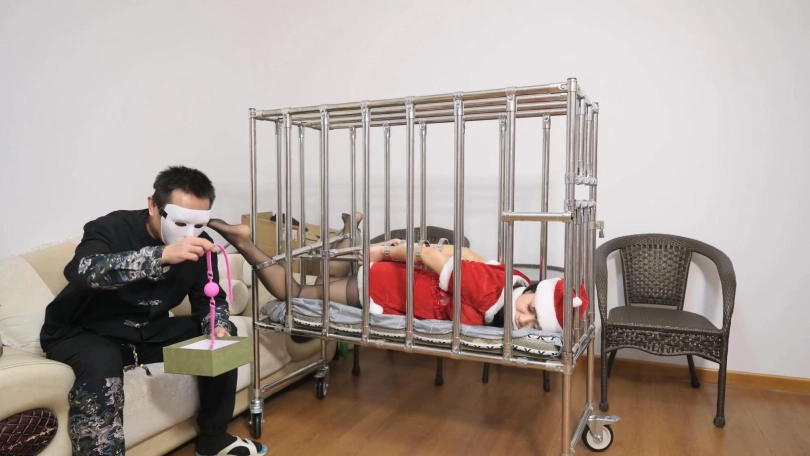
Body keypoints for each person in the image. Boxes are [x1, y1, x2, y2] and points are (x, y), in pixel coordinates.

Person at [39, 166, 267, 456]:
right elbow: (82, 271)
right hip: (83, 332)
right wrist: (161, 256)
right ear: (153, 205)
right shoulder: (111, 227)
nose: (189, 234)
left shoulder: (202, 244)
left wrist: (217, 324)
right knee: (102, 359)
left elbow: (208, 300)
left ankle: (214, 438)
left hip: (146, 332)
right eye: (180, 222)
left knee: (222, 335)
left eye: (198, 225)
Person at [206, 213, 588, 332]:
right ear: (532, 293)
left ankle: (348, 230)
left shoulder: (510, 281)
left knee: (322, 283)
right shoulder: (492, 293)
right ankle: (244, 241)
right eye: (531, 310)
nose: (524, 320)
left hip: (393, 281)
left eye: (535, 324)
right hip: (385, 288)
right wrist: (383, 252)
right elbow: (429, 254)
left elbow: (464, 253)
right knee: (296, 293)